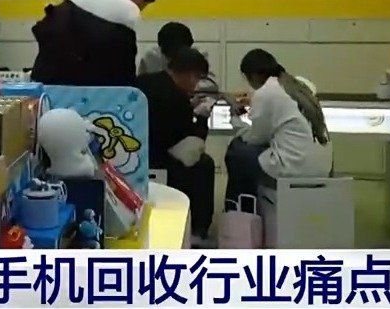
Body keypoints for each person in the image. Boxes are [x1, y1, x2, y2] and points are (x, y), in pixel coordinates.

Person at [224, 48, 333, 206]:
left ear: (253, 75)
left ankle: (239, 210)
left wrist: (236, 120)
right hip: (322, 167)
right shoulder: (295, 85)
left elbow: (255, 138)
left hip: (296, 168)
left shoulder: (266, 92)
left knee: (238, 151)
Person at [137, 46, 215, 245]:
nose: (196, 84)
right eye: (197, 78)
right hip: (159, 160)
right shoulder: (177, 98)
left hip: (136, 154)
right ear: (190, 74)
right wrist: (202, 118)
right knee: (204, 165)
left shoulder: (145, 81)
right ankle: (198, 230)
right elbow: (189, 144)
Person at [30, 0, 159, 86]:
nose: (141, 9)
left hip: (48, 75)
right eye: (145, 5)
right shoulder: (128, 11)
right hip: (88, 85)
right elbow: (123, 62)